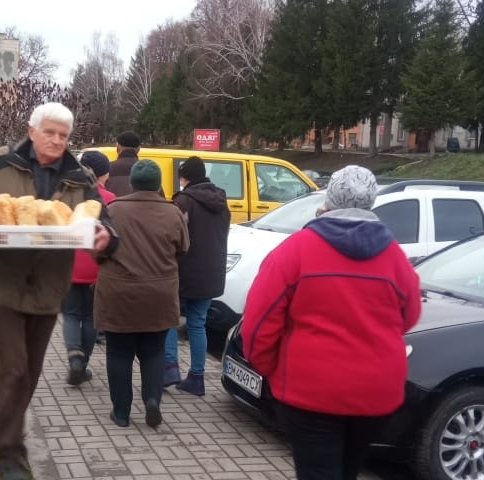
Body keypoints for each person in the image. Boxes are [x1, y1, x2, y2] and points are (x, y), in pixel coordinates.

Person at [0, 102, 118, 480]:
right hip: (3, 284)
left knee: (31, 372)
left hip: (49, 288)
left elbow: (104, 223)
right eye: (50, 132)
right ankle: (10, 455)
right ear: (32, 131)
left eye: (64, 135)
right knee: (13, 369)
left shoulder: (80, 175)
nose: (57, 140)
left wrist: (106, 240)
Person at [240, 165, 421, 480]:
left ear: (329, 199)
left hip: (310, 393)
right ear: (371, 202)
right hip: (376, 393)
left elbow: (258, 323)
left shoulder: (295, 251)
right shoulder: (394, 255)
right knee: (347, 470)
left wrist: (268, 368)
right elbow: (409, 315)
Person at [95, 160, 189, 430]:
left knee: (119, 353)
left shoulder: (112, 210)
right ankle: (152, 401)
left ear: (133, 183)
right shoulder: (174, 213)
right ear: (158, 184)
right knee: (153, 351)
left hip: (118, 293)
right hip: (159, 294)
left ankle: (121, 413)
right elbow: (183, 249)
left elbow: (99, 249)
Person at [163, 156, 230, 396]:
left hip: (184, 271)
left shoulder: (183, 201)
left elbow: (173, 236)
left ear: (186, 177)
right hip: (211, 272)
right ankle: (197, 377)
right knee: (198, 324)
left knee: (169, 318)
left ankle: (170, 369)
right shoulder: (222, 201)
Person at [62, 151, 116, 386]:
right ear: (104, 174)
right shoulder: (109, 198)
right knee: (91, 317)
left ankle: (74, 356)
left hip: (68, 265)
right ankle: (83, 364)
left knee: (71, 314)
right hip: (96, 267)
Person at [103, 131, 140, 197]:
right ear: (139, 148)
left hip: (113, 206)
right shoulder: (148, 171)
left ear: (118, 146)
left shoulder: (107, 168)